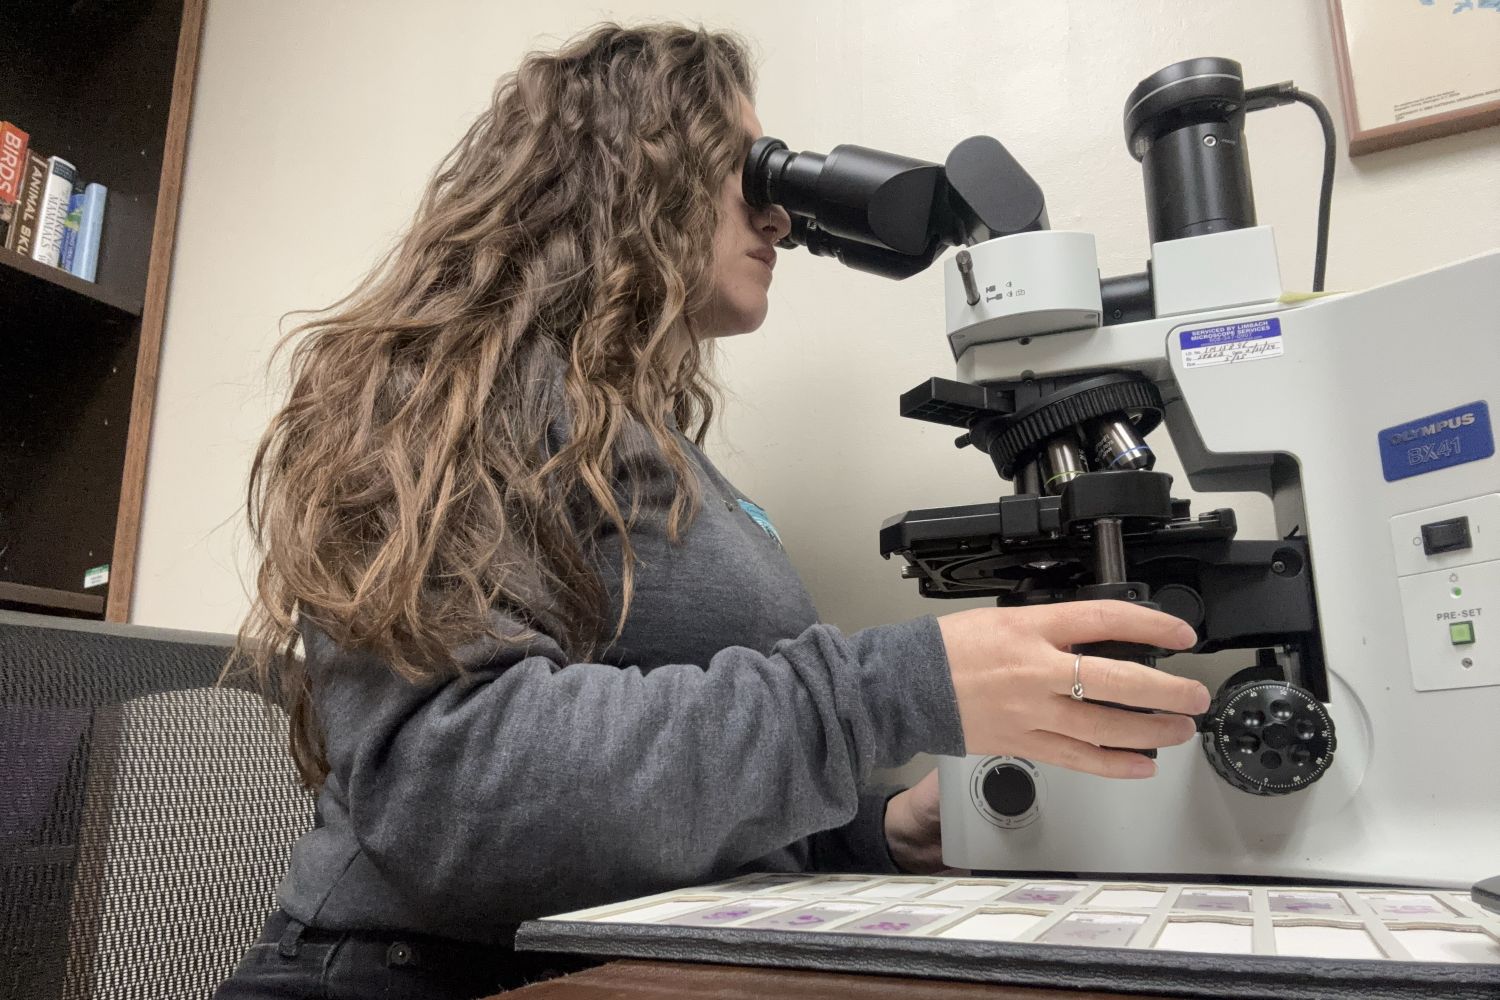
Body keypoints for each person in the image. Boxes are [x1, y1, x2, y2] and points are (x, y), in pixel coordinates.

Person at [216, 21, 1208, 999]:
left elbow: (683, 809)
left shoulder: (662, 447)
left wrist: (879, 830)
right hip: (412, 974)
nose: (780, 217)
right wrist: (893, 688)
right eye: (754, 172)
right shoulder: (454, 383)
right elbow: (459, 786)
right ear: (630, 171)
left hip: (642, 959)